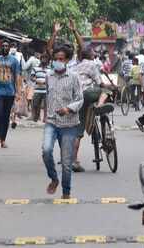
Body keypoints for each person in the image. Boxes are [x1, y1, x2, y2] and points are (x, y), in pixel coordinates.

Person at [42, 44, 83, 199]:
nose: (58, 61)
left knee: (66, 162)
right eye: (56, 59)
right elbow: (47, 96)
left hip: (69, 124)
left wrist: (68, 109)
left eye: (61, 59)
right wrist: (45, 114)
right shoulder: (49, 76)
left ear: (66, 60)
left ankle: (66, 192)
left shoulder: (74, 77)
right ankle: (53, 178)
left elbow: (80, 99)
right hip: (52, 121)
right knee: (46, 150)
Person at [30, 54, 49, 122]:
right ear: (40, 60)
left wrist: (46, 81)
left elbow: (52, 78)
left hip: (46, 90)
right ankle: (36, 117)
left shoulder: (49, 69)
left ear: (47, 60)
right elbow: (31, 77)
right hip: (37, 89)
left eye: (45, 59)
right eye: (43, 58)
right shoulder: (35, 68)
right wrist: (36, 80)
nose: (44, 60)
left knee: (46, 105)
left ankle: (45, 118)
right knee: (35, 104)